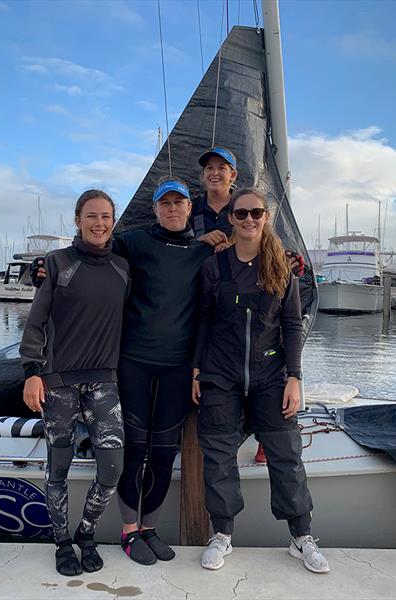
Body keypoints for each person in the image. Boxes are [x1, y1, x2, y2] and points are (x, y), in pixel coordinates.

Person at [192, 187, 330, 574]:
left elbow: (291, 324)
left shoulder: (281, 268)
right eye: (241, 214)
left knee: (286, 456)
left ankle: (301, 537)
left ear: (266, 218)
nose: (249, 220)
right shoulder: (213, 268)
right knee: (218, 456)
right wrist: (196, 370)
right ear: (231, 220)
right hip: (221, 374)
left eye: (256, 213)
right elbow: (203, 320)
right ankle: (222, 535)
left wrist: (295, 378)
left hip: (271, 377)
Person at [114, 177, 223, 565]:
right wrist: (45, 266)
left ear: (190, 209)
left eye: (180, 203)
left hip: (177, 366)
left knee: (162, 453)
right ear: (155, 208)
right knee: (134, 449)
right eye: (166, 203)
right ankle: (129, 532)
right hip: (134, 362)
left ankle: (150, 528)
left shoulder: (203, 251)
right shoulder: (134, 242)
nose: (173, 209)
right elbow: (89, 252)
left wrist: (293, 262)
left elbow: (251, 252)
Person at [20, 189, 129, 577]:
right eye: (91, 216)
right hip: (58, 382)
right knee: (59, 467)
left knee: (112, 467)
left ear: (113, 222)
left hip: (104, 381)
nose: (99, 224)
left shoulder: (123, 266)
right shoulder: (57, 263)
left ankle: (86, 533)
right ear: (77, 220)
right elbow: (36, 322)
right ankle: (62, 542)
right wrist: (32, 371)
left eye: (106, 217)